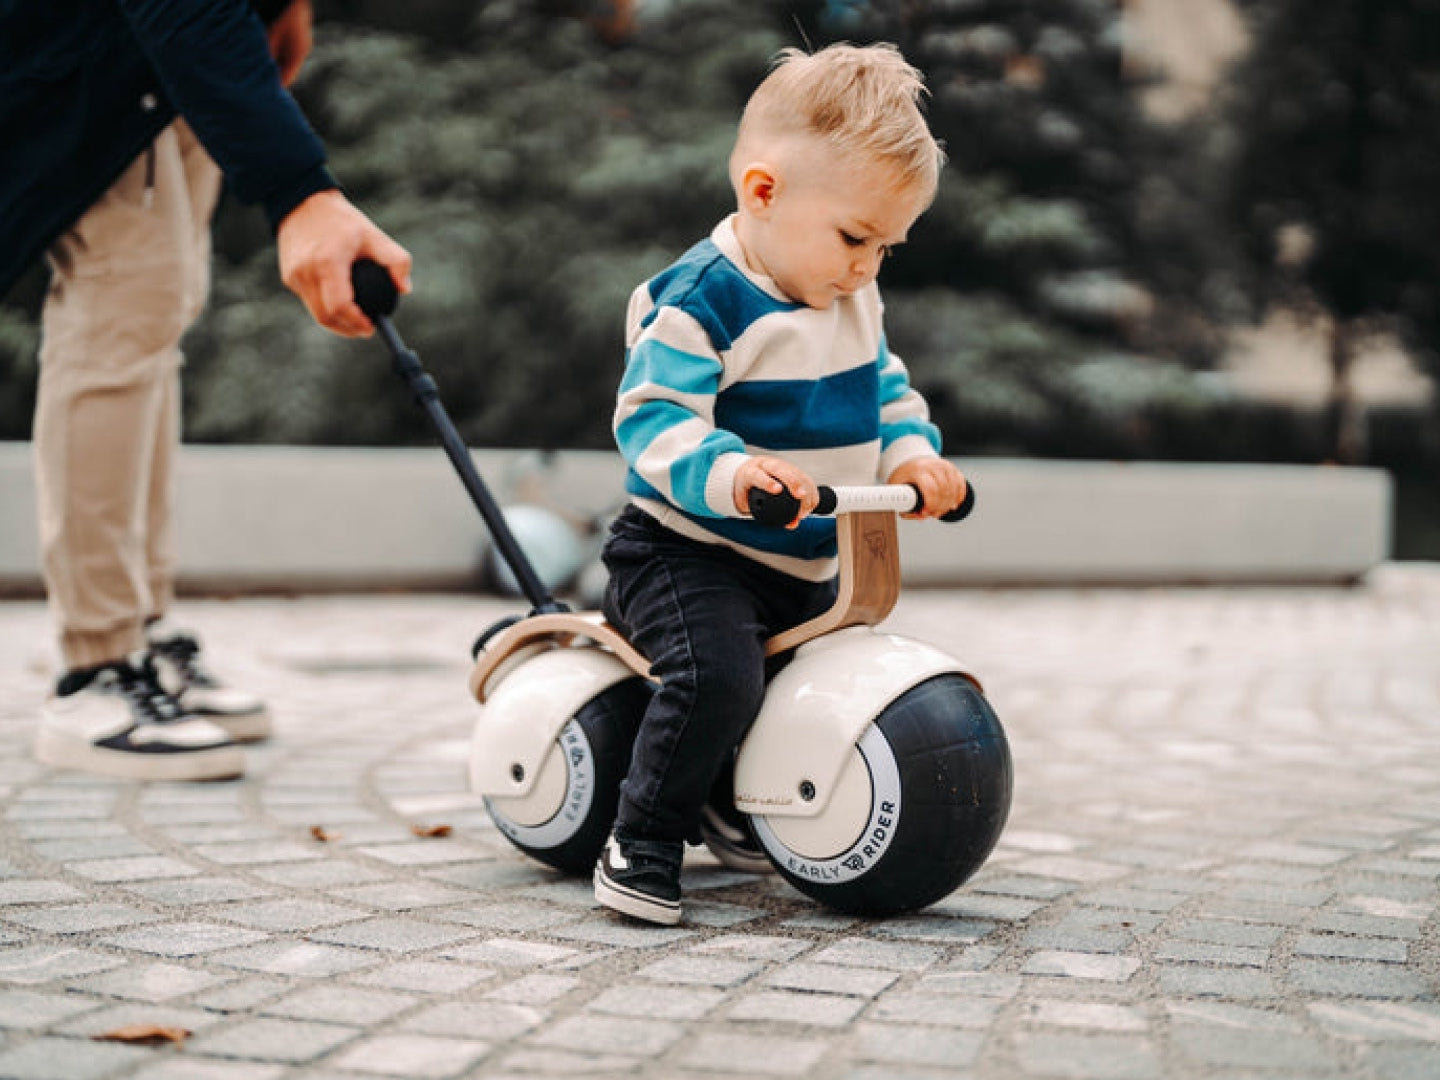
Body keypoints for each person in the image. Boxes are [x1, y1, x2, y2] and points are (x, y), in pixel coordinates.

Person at [593, 42, 969, 924]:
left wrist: (913, 457)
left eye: (887, 247)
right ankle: (640, 841)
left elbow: (885, 387)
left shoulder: (850, 299)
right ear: (764, 193)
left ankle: (743, 798)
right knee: (719, 676)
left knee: (821, 673)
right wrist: (734, 472)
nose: (867, 266)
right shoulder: (699, 301)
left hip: (804, 559)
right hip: (690, 553)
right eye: (854, 238)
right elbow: (653, 419)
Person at [0, 0, 412, 781]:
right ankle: (96, 664)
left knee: (155, 307)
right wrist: (301, 190)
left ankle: (142, 633)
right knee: (118, 314)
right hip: (105, 43)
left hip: (169, 53)